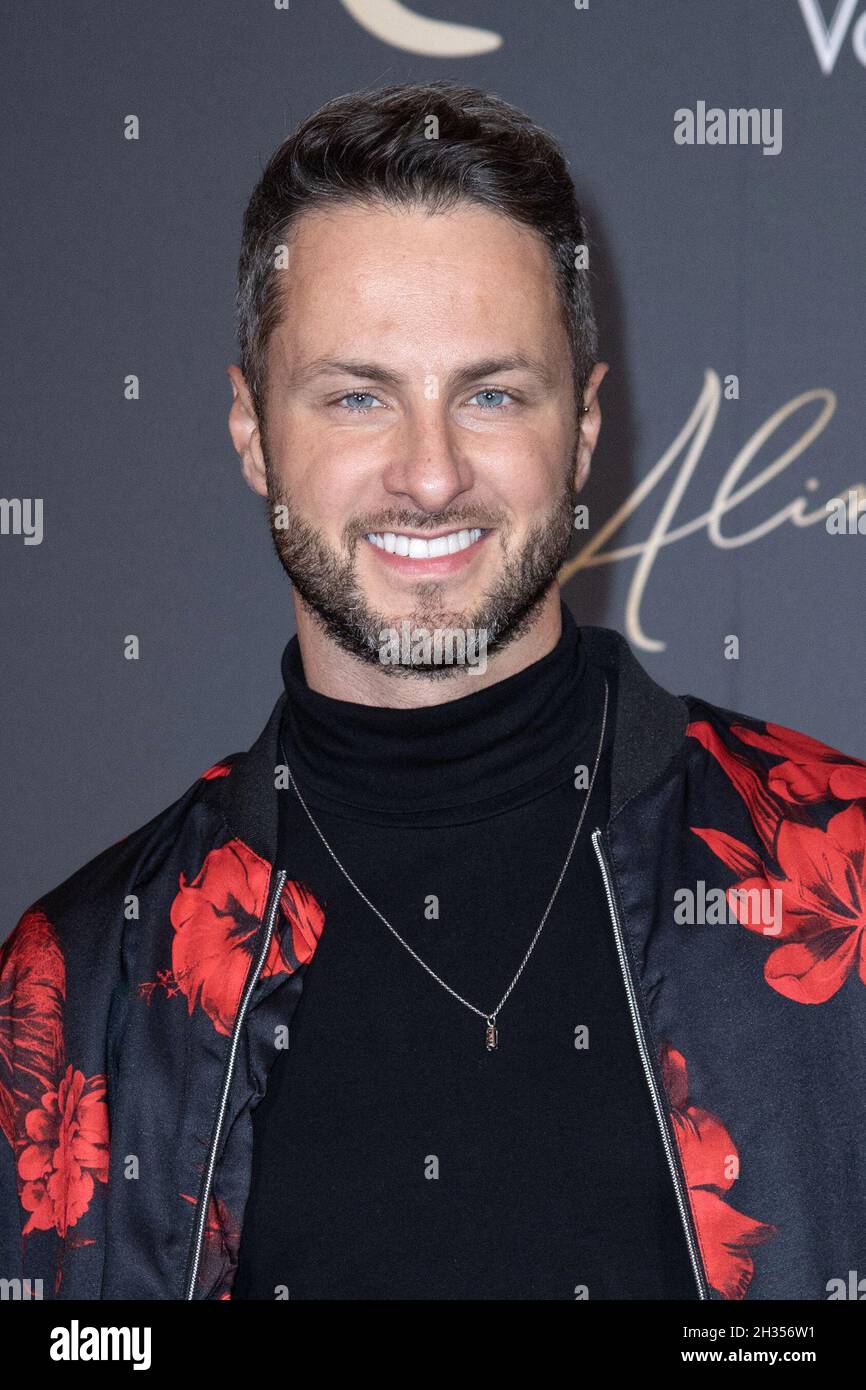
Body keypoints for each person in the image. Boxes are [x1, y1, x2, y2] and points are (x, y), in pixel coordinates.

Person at [2, 81, 863, 1303]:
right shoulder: (80, 978)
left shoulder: (846, 886)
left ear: (583, 430)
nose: (429, 471)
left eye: (491, 393)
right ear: (252, 429)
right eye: (357, 394)